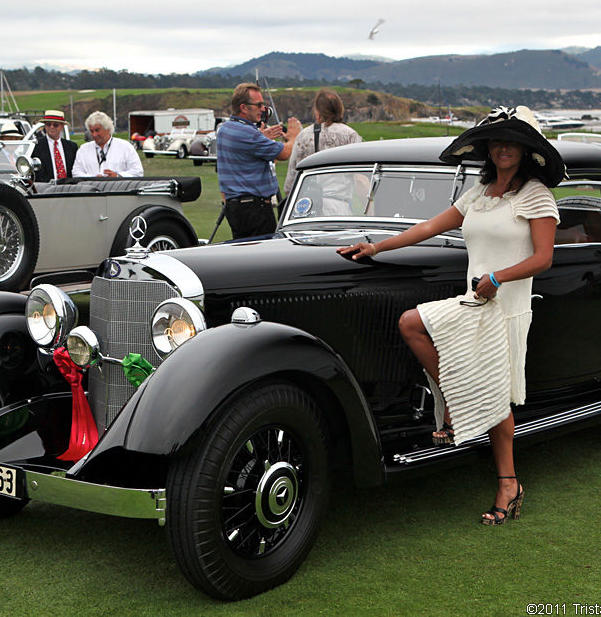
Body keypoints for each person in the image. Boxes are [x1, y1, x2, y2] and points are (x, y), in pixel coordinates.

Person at [337, 105, 562, 526]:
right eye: (495, 140)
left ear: (527, 148)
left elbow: (544, 258)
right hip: (474, 302)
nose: (502, 148)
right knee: (411, 323)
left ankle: (508, 484)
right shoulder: (478, 194)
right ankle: (459, 400)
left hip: (507, 307)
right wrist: (375, 247)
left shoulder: (536, 195)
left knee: (497, 399)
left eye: (511, 140)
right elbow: (427, 228)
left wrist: (499, 276)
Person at [216, 82, 301, 239]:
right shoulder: (248, 134)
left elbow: (248, 151)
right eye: (259, 105)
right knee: (263, 257)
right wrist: (294, 135)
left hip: (236, 208)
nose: (263, 109)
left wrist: (261, 138)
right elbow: (284, 153)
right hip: (255, 209)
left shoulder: (225, 129)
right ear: (243, 108)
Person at [284, 88, 362, 196]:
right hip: (339, 203)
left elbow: (290, 182)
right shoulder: (350, 135)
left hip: (307, 205)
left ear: (318, 112)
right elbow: (360, 178)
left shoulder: (303, 136)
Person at [73, 111, 143, 178]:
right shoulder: (83, 150)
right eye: (91, 131)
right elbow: (76, 172)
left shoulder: (125, 147)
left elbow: (138, 172)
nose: (94, 135)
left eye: (97, 130)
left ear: (108, 129)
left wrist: (118, 176)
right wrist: (92, 178)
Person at [32, 110, 78, 182]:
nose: (51, 127)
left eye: (55, 125)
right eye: (48, 124)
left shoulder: (72, 147)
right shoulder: (36, 146)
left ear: (62, 126)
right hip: (46, 189)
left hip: (69, 188)